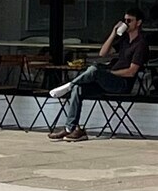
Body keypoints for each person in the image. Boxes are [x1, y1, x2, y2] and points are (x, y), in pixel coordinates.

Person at [47, 9, 149, 141]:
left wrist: (109, 73)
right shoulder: (124, 41)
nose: (126, 23)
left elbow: (131, 72)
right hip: (109, 81)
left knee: (95, 69)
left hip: (122, 84)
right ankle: (70, 128)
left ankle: (69, 85)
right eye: (125, 20)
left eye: (129, 21)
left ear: (138, 23)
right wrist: (114, 33)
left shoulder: (140, 44)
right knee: (79, 88)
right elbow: (103, 53)